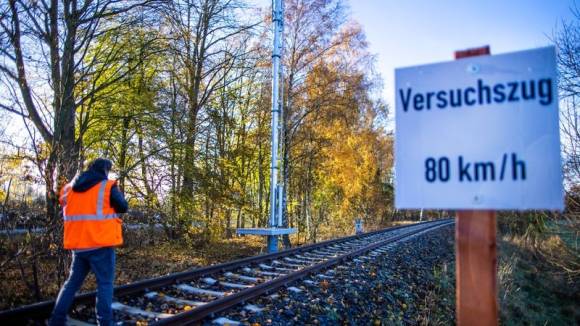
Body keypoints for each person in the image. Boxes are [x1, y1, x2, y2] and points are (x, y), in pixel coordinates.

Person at [49, 158, 128, 326]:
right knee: (105, 284)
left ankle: (56, 320)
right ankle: (105, 323)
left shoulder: (70, 188)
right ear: (105, 170)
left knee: (71, 284)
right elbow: (123, 207)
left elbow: (61, 201)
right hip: (100, 245)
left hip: (79, 247)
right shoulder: (107, 186)